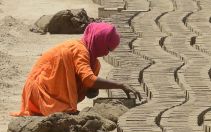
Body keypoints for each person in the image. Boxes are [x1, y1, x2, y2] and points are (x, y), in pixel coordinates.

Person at [13, 22, 141, 117]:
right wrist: (120, 85)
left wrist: (90, 89)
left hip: (51, 91)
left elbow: (88, 81)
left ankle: (63, 108)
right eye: (107, 49)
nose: (107, 54)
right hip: (40, 92)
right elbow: (88, 79)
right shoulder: (80, 50)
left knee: (95, 66)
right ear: (99, 41)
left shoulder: (93, 62)